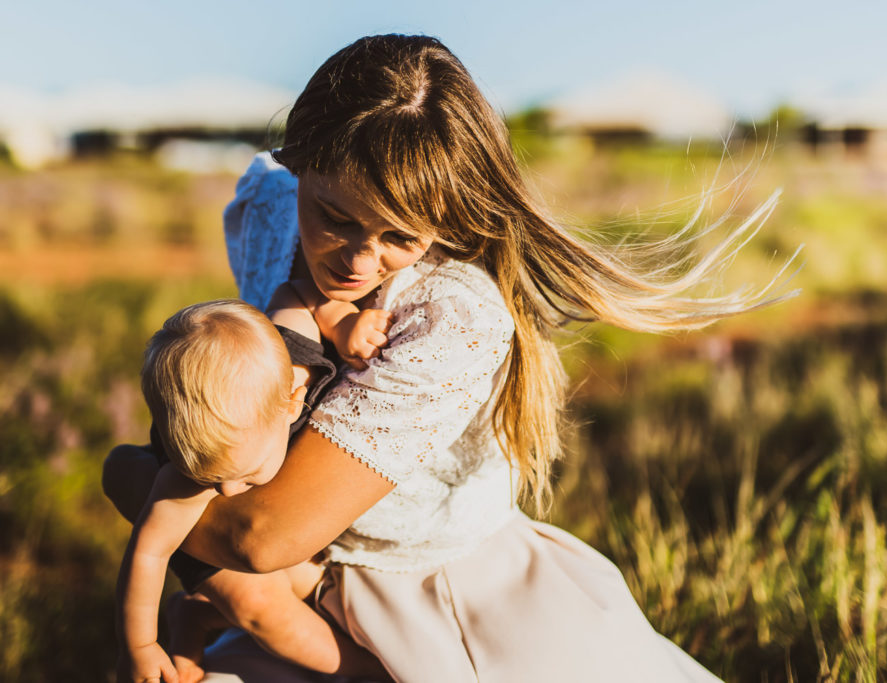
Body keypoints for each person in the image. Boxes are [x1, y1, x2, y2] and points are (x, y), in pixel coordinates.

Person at [103, 34, 791, 682]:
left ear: (447, 216)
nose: (358, 260)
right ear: (297, 165)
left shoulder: (453, 314)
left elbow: (261, 536)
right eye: (333, 216)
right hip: (298, 586)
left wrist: (136, 482)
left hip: (440, 597)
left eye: (399, 235)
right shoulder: (271, 211)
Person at [114, 296, 393, 683]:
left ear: (293, 405)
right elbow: (147, 554)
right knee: (261, 606)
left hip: (270, 530)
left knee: (302, 579)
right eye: (209, 476)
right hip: (214, 546)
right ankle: (365, 672)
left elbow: (299, 291)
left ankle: (198, 614)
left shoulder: (293, 344)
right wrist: (140, 646)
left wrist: (340, 322)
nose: (227, 492)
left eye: (245, 475)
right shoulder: (182, 481)